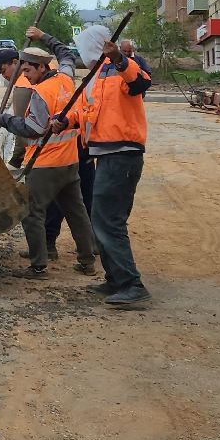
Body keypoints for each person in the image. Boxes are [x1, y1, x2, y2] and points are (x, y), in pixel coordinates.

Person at [55, 34, 153, 308]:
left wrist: (121, 59)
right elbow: (88, 112)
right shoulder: (97, 76)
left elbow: (141, 82)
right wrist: (65, 121)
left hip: (122, 154)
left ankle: (131, 284)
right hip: (105, 154)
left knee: (109, 220)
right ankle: (115, 278)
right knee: (101, 217)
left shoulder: (121, 68)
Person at [0, 47, 96, 278]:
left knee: (32, 212)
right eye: (23, 69)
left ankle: (38, 265)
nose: (26, 75)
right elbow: (67, 57)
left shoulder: (41, 92)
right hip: (70, 160)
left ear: (42, 67)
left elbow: (33, 129)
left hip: (45, 162)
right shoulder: (65, 80)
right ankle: (87, 260)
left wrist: (4, 119)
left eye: (29, 70)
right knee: (76, 211)